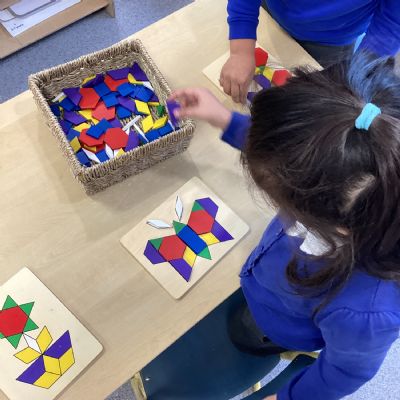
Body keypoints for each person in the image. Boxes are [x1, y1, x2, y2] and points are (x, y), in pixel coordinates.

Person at [169, 53, 400, 399]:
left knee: (248, 334)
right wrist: (223, 118)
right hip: (271, 282)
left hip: (284, 325)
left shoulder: (366, 313)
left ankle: (261, 339)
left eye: (284, 200)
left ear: (335, 222)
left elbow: (344, 373)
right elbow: (295, 155)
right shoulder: (348, 182)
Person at [221, 0, 400, 103]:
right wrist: (241, 51)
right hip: (273, 14)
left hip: (331, 40)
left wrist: (359, 74)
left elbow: (391, 26)